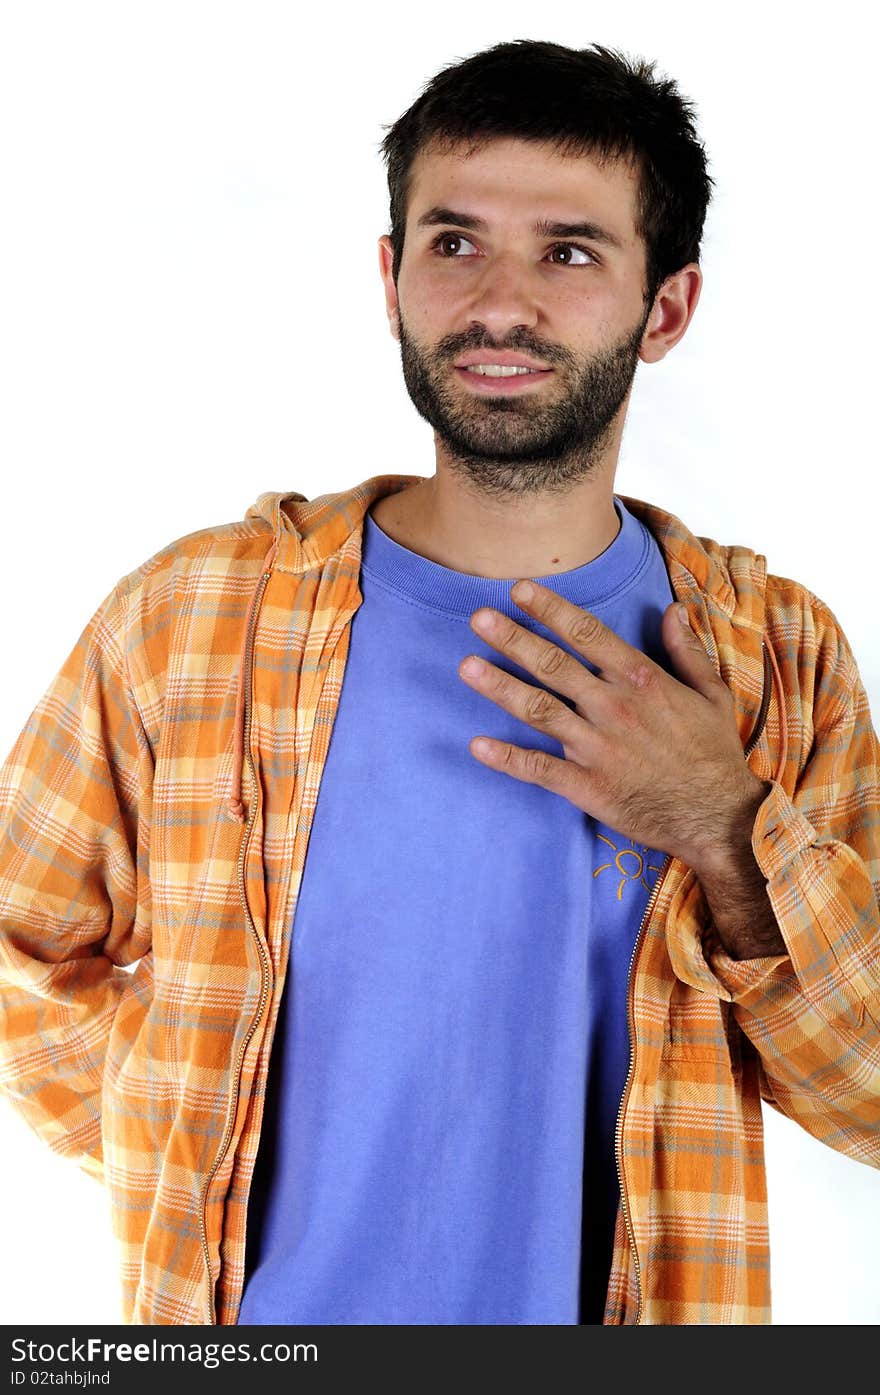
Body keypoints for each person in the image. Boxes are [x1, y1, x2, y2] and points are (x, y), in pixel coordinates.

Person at [0, 39, 877, 1329]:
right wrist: (187, 1116)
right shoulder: (195, 622)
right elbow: (19, 952)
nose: (500, 304)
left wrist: (724, 825)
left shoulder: (773, 661)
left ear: (667, 308)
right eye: (453, 243)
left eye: (570, 253)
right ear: (392, 276)